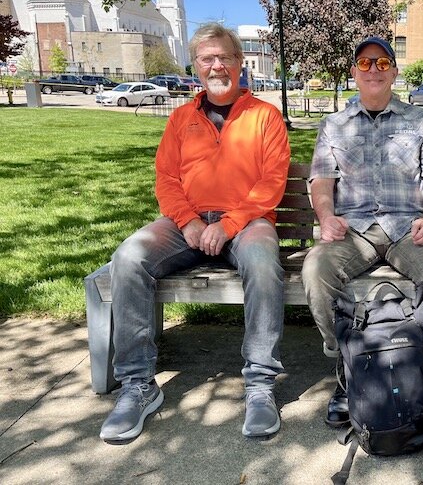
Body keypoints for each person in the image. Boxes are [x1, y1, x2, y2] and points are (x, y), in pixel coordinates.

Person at [301, 37, 423, 463]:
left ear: (394, 71)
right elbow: (321, 182)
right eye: (364, 62)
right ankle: (347, 372)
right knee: (316, 268)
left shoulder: (420, 120)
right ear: (354, 72)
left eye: (382, 62)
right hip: (354, 229)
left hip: (408, 228)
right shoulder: (334, 126)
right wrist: (325, 217)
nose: (373, 69)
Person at [99, 23, 291, 444]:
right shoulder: (181, 118)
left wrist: (227, 225)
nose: (217, 65)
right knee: (128, 258)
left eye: (225, 57)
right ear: (196, 66)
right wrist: (188, 222)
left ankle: (260, 385)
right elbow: (166, 178)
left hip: (247, 222)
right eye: (207, 58)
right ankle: (137, 385)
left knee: (262, 262)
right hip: (185, 222)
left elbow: (271, 183)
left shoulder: (266, 116)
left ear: (240, 63)